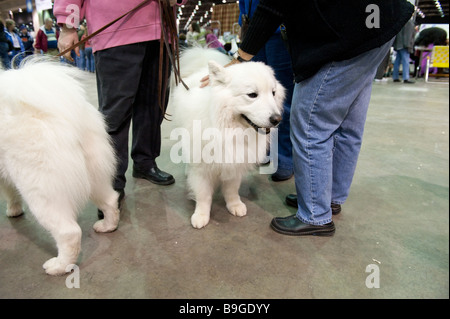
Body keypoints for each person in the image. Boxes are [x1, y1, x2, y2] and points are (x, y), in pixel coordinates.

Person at [215, 0, 414, 236]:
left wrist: (240, 57)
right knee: (347, 124)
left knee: (310, 123)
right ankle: (327, 198)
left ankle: (315, 215)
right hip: (380, 22)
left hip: (350, 32)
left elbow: (271, 6)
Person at [54, 0, 186, 218]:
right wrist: (68, 26)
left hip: (162, 30)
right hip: (115, 30)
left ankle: (145, 161)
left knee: (153, 105)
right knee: (115, 113)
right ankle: (111, 180)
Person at [239, 0, 294, 181]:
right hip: (252, 27)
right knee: (256, 101)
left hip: (279, 27)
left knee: (279, 99)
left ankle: (284, 158)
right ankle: (265, 150)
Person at [392, 19, 416, 84]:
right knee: (405, 61)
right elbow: (408, 35)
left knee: (397, 61)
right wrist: (409, 45)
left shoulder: (399, 21)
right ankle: (406, 78)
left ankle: (395, 77)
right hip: (404, 45)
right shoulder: (409, 23)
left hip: (398, 44)